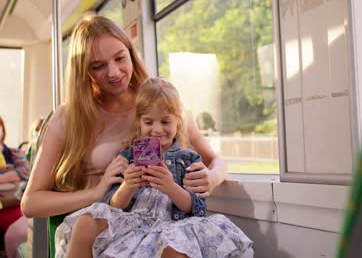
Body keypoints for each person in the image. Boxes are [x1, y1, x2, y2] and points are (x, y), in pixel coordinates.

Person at [21, 14, 227, 239]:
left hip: (158, 227)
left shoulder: (159, 105)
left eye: (120, 58)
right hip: (96, 231)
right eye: (98, 66)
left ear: (131, 53)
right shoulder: (68, 118)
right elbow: (31, 204)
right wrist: (96, 193)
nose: (113, 72)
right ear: (84, 72)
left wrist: (212, 177)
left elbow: (215, 161)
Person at [55, 77, 253, 257]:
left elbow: (196, 208)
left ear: (178, 122)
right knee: (85, 222)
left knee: (176, 249)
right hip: (132, 223)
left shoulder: (187, 159)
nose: (157, 130)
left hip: (171, 225)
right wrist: (128, 186)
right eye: (149, 122)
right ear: (139, 122)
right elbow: (113, 205)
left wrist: (171, 187)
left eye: (165, 121)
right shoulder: (128, 157)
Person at [0, 116, 30, 258]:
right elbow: (18, 172)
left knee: (19, 230)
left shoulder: (14, 152)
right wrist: (12, 172)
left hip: (13, 205)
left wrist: (2, 177)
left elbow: (25, 172)